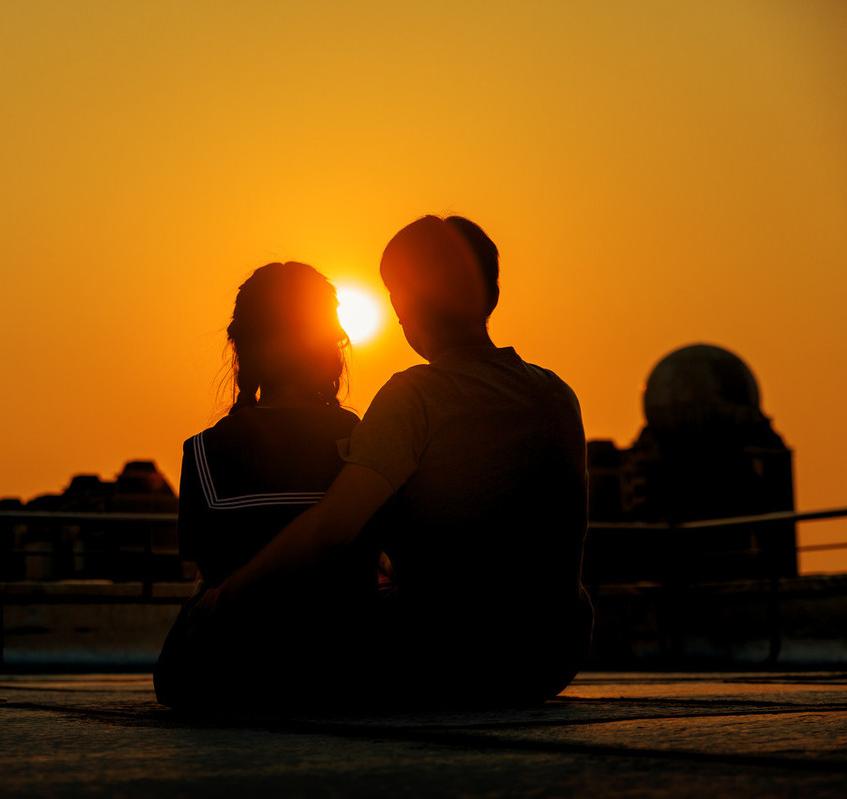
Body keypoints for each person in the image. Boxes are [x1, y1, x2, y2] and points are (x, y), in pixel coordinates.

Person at [192, 216, 593, 708]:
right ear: (492, 295)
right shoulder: (558, 393)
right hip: (555, 655)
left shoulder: (415, 396)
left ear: (405, 305)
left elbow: (332, 529)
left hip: (453, 660)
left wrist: (224, 599)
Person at [153, 261, 378, 711]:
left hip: (229, 673)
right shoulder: (365, 443)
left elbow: (208, 570)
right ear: (331, 347)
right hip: (346, 669)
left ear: (242, 348)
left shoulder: (203, 450)